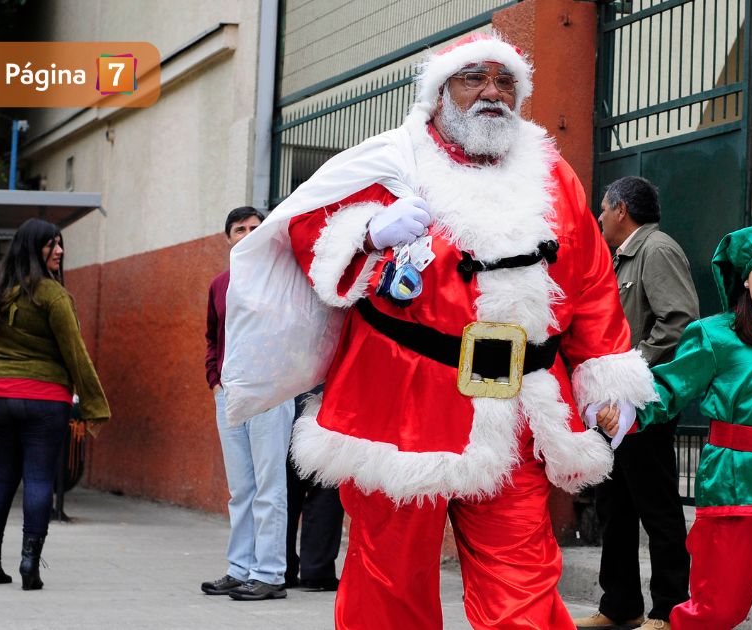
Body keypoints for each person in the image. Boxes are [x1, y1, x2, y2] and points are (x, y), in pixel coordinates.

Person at [220, 33, 656, 629]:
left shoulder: (552, 174)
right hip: (401, 407)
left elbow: (592, 281)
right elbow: (308, 229)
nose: (492, 93)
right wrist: (369, 233)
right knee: (390, 584)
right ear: (440, 91)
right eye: (474, 78)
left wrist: (607, 377)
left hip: (520, 410)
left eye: (505, 81)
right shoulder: (393, 160)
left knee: (523, 586)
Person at [596, 222, 752, 629]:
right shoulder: (714, 336)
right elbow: (669, 387)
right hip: (733, 491)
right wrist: (626, 411)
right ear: (746, 277)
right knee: (718, 609)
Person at [574, 176, 697, 630]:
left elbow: (679, 322)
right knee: (615, 506)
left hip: (644, 406)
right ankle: (620, 604)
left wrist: (628, 372)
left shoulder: (657, 249)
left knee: (657, 508)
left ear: (621, 209)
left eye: (604, 209)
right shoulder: (620, 255)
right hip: (612, 407)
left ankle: (670, 608)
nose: (599, 217)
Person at [0, 218, 110, 590]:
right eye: (51, 244)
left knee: (0, 478)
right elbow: (75, 353)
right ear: (31, 247)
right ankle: (29, 566)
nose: (59, 251)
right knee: (38, 478)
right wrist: (95, 406)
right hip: (44, 398)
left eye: (59, 243)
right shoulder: (53, 295)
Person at [200, 207, 295, 601]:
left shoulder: (280, 278)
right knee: (240, 489)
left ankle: (270, 574)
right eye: (240, 229)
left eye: (256, 228)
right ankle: (239, 569)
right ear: (228, 238)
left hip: (269, 392)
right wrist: (214, 380)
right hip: (230, 394)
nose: (248, 234)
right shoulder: (219, 284)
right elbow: (212, 337)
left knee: (269, 488)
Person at [284, 386, 343, 591]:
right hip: (326, 405)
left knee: (285, 495)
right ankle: (317, 571)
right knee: (325, 490)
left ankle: (282, 568)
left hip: (284, 403)